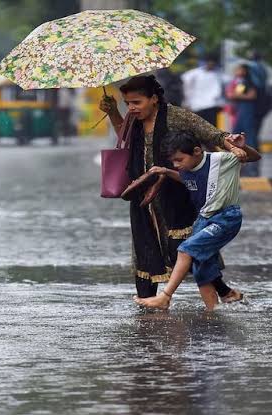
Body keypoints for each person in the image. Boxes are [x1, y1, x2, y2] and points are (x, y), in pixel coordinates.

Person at [99, 75, 252, 302]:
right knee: (144, 246)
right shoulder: (133, 119)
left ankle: (221, 292)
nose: (131, 108)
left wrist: (235, 147)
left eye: (136, 102)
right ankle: (146, 302)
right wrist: (113, 112)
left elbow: (213, 134)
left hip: (176, 192)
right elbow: (126, 139)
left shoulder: (177, 116)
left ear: (153, 99)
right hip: (144, 195)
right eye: (127, 103)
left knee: (188, 248)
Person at [134, 131, 261, 310]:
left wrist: (242, 148)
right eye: (173, 162)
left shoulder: (220, 160)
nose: (176, 165)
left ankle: (165, 297)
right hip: (204, 218)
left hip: (225, 218)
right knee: (201, 267)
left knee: (186, 250)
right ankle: (214, 310)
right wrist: (167, 171)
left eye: (179, 160)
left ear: (196, 151)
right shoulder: (185, 169)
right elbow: (187, 180)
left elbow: (255, 157)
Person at [227, 64, 259, 176]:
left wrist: (235, 95)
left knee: (248, 132)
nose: (237, 71)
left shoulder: (247, 82)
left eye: (239, 69)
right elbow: (232, 95)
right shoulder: (239, 81)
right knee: (238, 131)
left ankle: (251, 153)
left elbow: (251, 95)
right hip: (241, 110)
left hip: (247, 110)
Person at [181, 54, 223, 126]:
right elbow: (185, 84)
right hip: (197, 106)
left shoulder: (218, 74)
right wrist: (186, 102)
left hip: (212, 105)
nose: (211, 64)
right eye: (209, 62)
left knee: (211, 128)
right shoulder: (194, 73)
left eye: (213, 63)